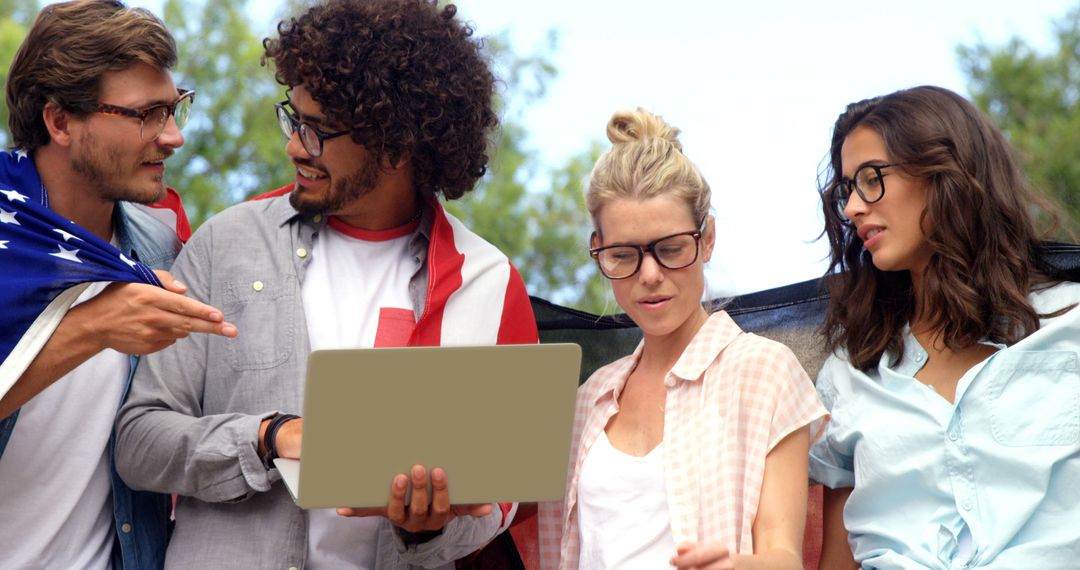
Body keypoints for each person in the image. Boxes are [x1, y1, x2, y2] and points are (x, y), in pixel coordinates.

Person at [114, 0, 538, 567]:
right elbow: (139, 442)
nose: (293, 145)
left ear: (395, 143)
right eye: (294, 117)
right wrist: (266, 438)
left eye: (317, 131)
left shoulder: (487, 282)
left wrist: (426, 531)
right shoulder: (226, 246)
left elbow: (503, 503)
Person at [0, 1, 237, 568]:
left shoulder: (158, 252)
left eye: (176, 109)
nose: (173, 137)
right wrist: (95, 326)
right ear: (59, 122)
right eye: (147, 114)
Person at [536, 108, 825, 569]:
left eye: (670, 249)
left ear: (707, 239)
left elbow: (784, 556)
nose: (649, 275)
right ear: (598, 251)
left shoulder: (764, 372)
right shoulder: (587, 401)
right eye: (623, 255)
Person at [811, 85, 1080, 569]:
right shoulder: (850, 371)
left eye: (871, 179)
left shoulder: (1071, 324)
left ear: (945, 170)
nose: (852, 208)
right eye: (846, 189)